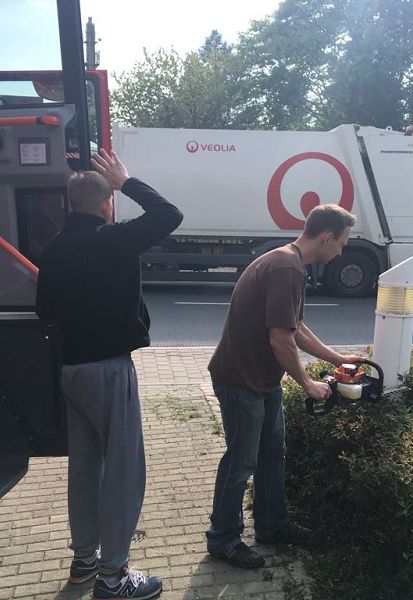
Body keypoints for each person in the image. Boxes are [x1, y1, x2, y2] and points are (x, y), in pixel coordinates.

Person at [36, 149, 182, 599]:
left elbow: (45, 313)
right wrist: (126, 180)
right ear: (107, 204)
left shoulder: (55, 248)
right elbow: (169, 215)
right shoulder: (115, 239)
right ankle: (114, 576)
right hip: (110, 373)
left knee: (84, 468)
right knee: (123, 470)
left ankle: (84, 560)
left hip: (71, 372)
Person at [206, 204, 365, 569]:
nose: (341, 251)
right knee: (241, 461)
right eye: (342, 243)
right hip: (240, 380)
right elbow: (280, 338)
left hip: (262, 380)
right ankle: (223, 539)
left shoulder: (290, 264)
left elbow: (297, 328)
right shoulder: (286, 268)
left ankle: (272, 525)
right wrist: (307, 383)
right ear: (326, 237)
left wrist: (338, 359)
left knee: (271, 455)